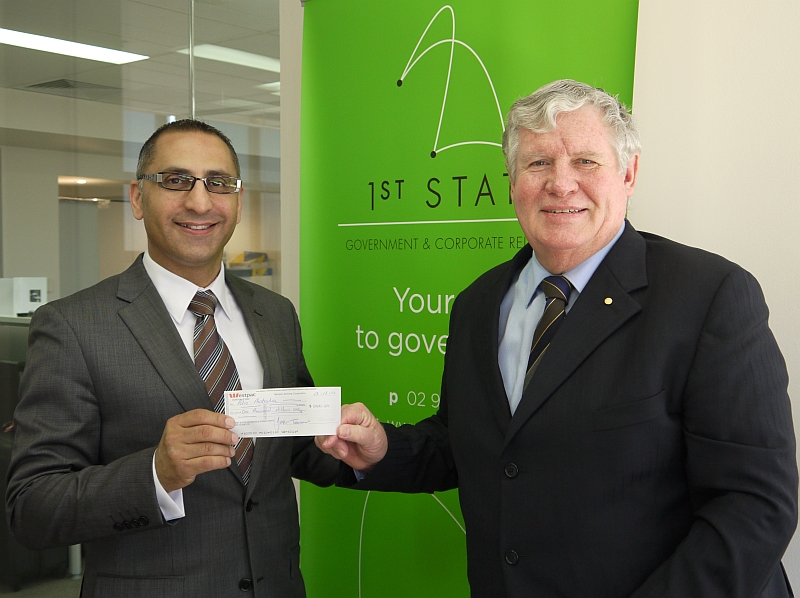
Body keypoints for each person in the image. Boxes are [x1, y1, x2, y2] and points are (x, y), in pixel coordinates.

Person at [317, 80, 798, 597]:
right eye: (538, 163)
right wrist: (383, 449)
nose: (560, 184)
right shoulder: (477, 306)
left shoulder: (709, 297)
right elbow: (477, 446)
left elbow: (755, 504)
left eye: (586, 161)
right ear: (511, 180)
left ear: (628, 173)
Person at [6, 119, 338, 597]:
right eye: (176, 180)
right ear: (138, 198)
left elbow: (293, 447)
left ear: (238, 202)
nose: (200, 202)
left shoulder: (275, 314)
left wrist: (350, 445)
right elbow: (32, 508)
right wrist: (156, 473)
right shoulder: (73, 326)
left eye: (218, 184)